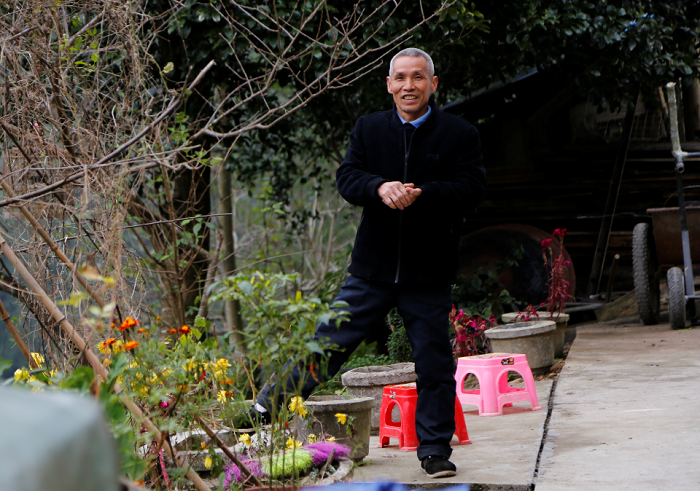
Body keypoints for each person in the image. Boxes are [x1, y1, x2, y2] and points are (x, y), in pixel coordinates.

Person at [245, 47, 486, 478]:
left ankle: (434, 450)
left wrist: (424, 194)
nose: (409, 86)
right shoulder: (369, 129)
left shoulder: (459, 133)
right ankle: (266, 408)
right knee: (329, 341)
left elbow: (471, 188)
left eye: (418, 77)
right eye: (401, 78)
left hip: (427, 272)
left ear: (433, 84)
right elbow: (347, 177)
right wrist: (379, 188)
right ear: (389, 85)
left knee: (433, 362)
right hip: (371, 268)